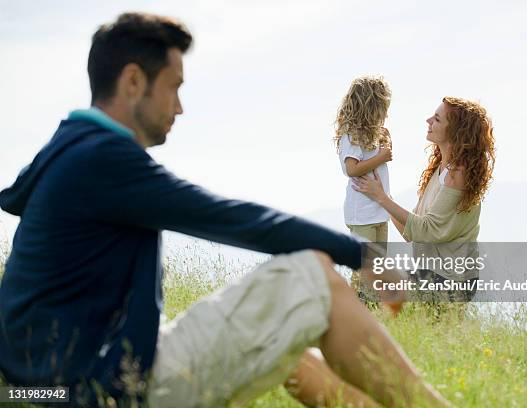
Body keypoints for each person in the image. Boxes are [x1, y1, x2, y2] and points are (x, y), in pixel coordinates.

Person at [0, 13, 453, 408]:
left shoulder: (67, 149)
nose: (180, 107)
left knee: (283, 342)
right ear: (133, 81)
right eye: (173, 88)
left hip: (48, 386)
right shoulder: (103, 160)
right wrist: (362, 256)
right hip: (100, 392)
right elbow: (232, 218)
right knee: (314, 276)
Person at [353, 97, 495, 302]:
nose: (428, 120)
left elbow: (426, 230)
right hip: (430, 276)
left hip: (449, 281)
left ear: (455, 131)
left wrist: (382, 197)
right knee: (365, 294)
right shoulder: (441, 170)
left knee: (367, 299)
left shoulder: (458, 175)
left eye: (437, 119)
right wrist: (382, 195)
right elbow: (411, 232)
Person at [334, 76, 393, 295]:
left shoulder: (371, 134)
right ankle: (358, 308)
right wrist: (382, 157)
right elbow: (352, 169)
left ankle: (373, 307)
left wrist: (385, 144)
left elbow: (381, 157)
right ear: (370, 106)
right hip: (362, 214)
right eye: (382, 107)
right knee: (363, 270)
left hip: (378, 210)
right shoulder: (351, 134)